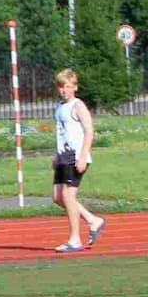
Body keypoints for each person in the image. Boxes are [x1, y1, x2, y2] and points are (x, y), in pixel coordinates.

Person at [51, 68, 106, 253]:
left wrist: (83, 156)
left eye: (67, 86)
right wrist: (56, 155)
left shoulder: (78, 106)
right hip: (63, 156)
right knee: (58, 198)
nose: (63, 90)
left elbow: (89, 131)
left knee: (68, 196)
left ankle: (74, 239)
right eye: (60, 86)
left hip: (75, 157)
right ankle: (92, 220)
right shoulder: (59, 107)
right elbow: (62, 133)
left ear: (75, 87)